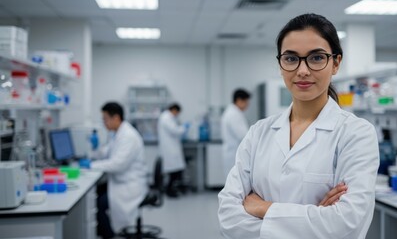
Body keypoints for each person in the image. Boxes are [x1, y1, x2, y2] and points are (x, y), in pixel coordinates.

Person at [218, 13, 379, 239]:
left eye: (316, 58)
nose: (302, 70)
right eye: (291, 59)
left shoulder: (356, 134)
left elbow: (348, 224)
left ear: (335, 63)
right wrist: (315, 218)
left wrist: (262, 208)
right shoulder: (258, 132)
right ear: (280, 65)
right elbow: (228, 219)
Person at [85, 102, 148, 238]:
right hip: (120, 181)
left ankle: (109, 235)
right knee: (95, 193)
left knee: (98, 204)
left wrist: (90, 166)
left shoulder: (128, 136)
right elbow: (106, 153)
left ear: (116, 118)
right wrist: (95, 149)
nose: (104, 123)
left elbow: (118, 164)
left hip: (129, 185)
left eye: (105, 119)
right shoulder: (117, 134)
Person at [158, 103, 189, 198]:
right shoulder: (166, 118)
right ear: (174, 110)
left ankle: (171, 190)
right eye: (177, 112)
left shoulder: (168, 117)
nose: (177, 115)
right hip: (170, 149)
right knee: (173, 172)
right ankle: (169, 191)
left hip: (172, 148)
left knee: (175, 171)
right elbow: (175, 130)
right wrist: (184, 127)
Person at [221, 89, 251, 177]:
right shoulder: (234, 114)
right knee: (237, 184)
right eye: (246, 102)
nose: (247, 105)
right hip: (235, 154)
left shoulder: (232, 112)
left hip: (232, 153)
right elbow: (244, 136)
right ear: (239, 100)